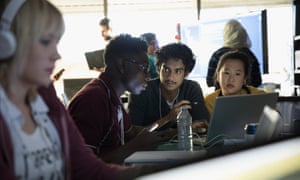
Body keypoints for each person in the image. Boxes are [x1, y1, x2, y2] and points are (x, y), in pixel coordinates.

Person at [0, 1, 165, 179]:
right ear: (6, 43)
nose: (56, 55)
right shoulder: (93, 99)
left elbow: (88, 168)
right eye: (46, 41)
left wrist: (151, 172)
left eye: (56, 43)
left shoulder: (47, 103)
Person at [68, 34, 175, 164]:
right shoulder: (92, 100)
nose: (148, 76)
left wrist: (166, 133)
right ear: (122, 65)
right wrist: (136, 146)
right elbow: (82, 165)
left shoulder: (111, 95)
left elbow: (130, 132)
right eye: (144, 68)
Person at [128, 43, 210, 134]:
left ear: (186, 73)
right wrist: (168, 119)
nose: (170, 77)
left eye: (177, 71)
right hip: (148, 147)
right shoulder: (142, 90)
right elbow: (131, 133)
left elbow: (203, 124)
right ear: (158, 69)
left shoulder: (191, 89)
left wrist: (197, 126)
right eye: (166, 70)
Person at [205, 50, 266, 116]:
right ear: (218, 76)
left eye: (237, 74)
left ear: (244, 78)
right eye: (226, 73)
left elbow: (274, 118)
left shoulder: (259, 97)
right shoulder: (208, 102)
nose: (231, 79)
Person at [206, 19, 262, 89]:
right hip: (248, 97)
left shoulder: (218, 54)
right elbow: (258, 81)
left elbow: (210, 82)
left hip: (222, 97)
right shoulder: (250, 55)